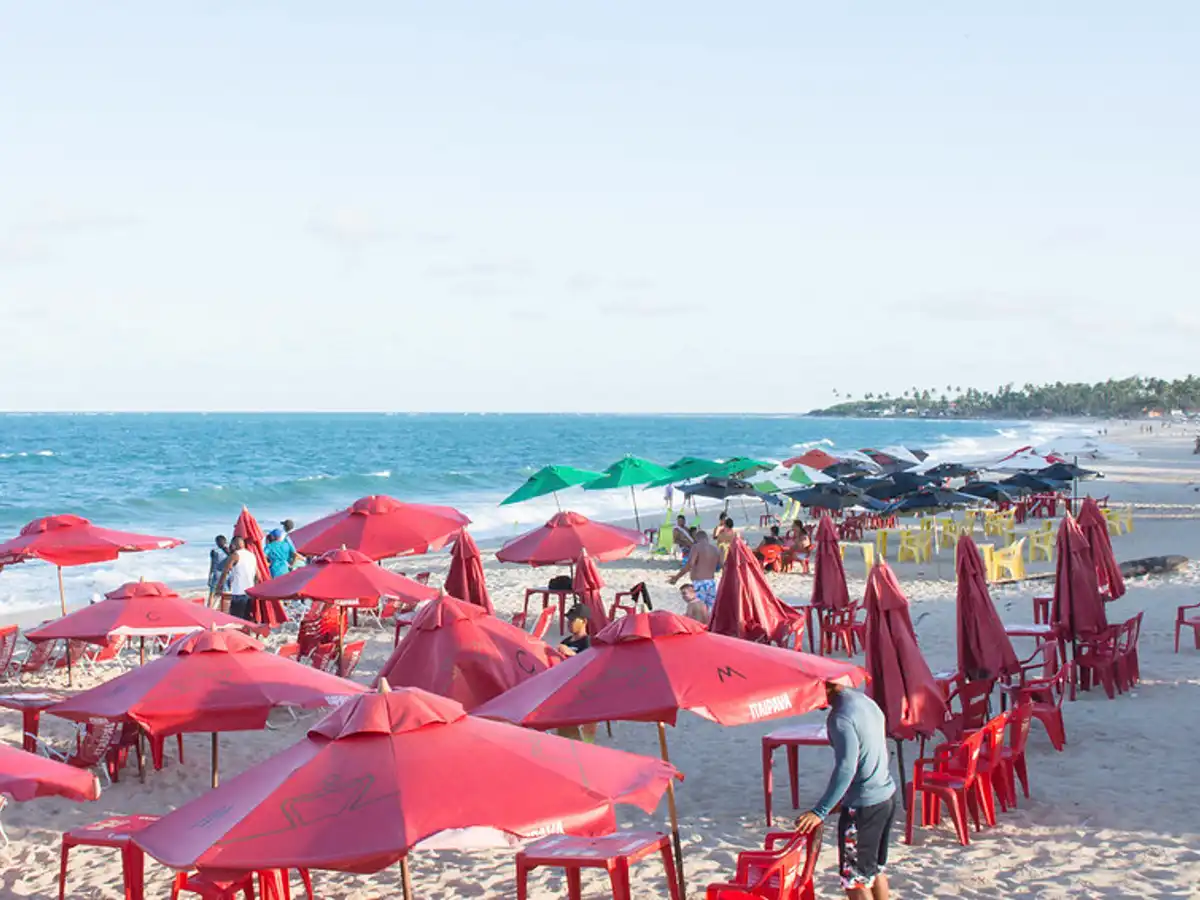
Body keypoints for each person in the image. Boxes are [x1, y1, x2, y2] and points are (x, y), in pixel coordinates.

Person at [794, 682, 897, 900]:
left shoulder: (840, 718)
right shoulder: (866, 702)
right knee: (875, 870)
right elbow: (872, 753)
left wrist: (820, 811)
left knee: (855, 882)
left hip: (864, 806)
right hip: (885, 796)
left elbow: (846, 768)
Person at [557, 606, 598, 742]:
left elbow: (589, 666)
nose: (569, 623)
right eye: (568, 620)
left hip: (583, 690)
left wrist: (571, 654)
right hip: (564, 687)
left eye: (573, 620)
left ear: (584, 621)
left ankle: (585, 745)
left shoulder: (589, 642)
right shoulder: (566, 642)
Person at [668, 530, 720, 612]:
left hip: (699, 582)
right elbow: (719, 566)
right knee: (711, 610)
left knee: (699, 610)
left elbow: (690, 564)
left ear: (697, 539)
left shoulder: (696, 547)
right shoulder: (715, 549)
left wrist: (677, 577)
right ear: (707, 539)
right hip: (711, 583)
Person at [215, 536, 260, 620]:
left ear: (234, 545)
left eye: (231, 545)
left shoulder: (235, 555)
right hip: (250, 593)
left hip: (238, 593)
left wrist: (219, 587)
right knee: (247, 619)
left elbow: (225, 572)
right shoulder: (252, 556)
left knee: (236, 620)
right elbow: (258, 576)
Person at [207, 535, 229, 605]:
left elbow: (212, 565)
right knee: (225, 594)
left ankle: (209, 609)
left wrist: (209, 576)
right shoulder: (229, 551)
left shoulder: (214, 551)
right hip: (226, 575)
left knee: (212, 594)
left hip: (216, 574)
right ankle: (225, 610)